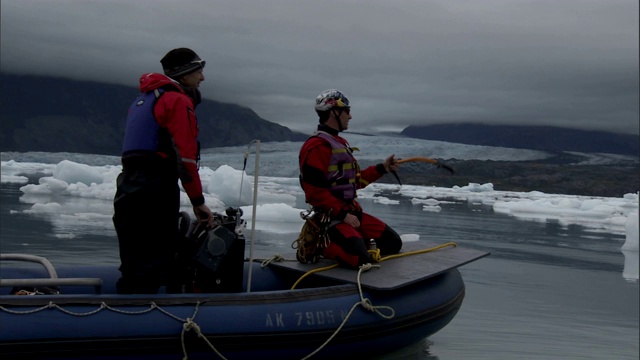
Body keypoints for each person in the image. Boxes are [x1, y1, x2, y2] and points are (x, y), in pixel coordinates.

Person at [113, 48, 215, 294]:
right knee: (155, 259)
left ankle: (124, 310)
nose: (202, 78)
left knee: (133, 258)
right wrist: (198, 201)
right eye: (199, 71)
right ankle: (151, 319)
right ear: (184, 73)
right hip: (155, 187)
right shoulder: (177, 100)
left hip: (128, 185)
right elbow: (186, 158)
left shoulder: (144, 99)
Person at [298, 89, 403, 268]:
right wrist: (341, 214)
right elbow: (314, 192)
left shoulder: (340, 143)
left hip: (351, 213)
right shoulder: (316, 147)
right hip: (332, 217)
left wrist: (382, 168)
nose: (350, 116)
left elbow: (354, 182)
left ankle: (355, 242)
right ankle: (322, 246)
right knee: (359, 259)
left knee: (393, 243)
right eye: (346, 110)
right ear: (334, 112)